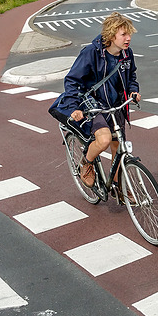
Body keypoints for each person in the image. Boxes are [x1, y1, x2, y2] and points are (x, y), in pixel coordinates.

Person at [60, 12, 141, 190]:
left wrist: (134, 90)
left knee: (118, 149)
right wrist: (74, 107)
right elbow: (72, 80)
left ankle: (118, 189)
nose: (128, 38)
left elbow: (131, 75)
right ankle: (86, 163)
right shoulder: (92, 53)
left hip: (115, 105)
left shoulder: (127, 54)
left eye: (129, 34)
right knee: (104, 140)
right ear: (112, 36)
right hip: (93, 104)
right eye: (124, 34)